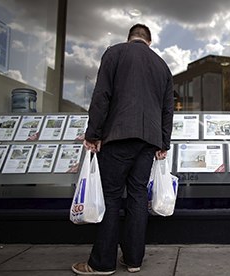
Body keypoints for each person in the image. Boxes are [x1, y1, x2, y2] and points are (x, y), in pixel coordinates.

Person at [72, 23, 174, 275]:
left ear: (130, 38)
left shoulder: (115, 53)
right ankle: (133, 260)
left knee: (111, 195)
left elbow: (102, 95)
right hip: (148, 141)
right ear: (148, 42)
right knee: (138, 196)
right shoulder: (162, 65)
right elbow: (167, 109)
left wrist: (93, 133)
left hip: (118, 137)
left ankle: (102, 263)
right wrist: (163, 142)